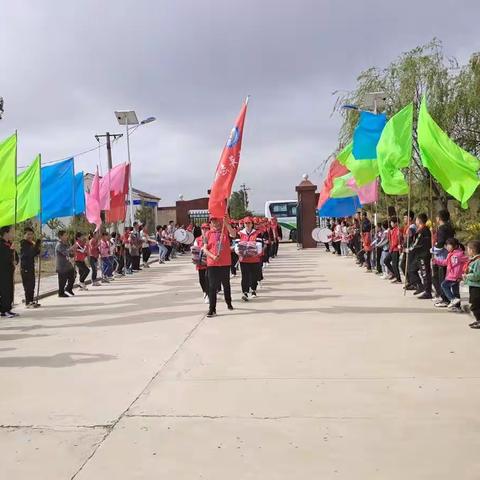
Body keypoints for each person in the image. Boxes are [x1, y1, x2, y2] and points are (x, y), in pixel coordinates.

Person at [203, 214, 236, 318]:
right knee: (212, 286)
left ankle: (228, 302)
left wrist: (226, 224)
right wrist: (212, 256)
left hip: (225, 262)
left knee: (226, 284)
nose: (215, 223)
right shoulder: (208, 234)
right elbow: (204, 249)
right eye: (213, 221)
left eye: (217, 221)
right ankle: (212, 309)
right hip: (212, 263)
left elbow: (234, 234)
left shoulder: (225, 231)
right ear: (210, 223)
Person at [434, 238, 468, 311]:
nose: (447, 247)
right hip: (450, 275)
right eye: (446, 245)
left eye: (449, 245)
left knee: (444, 285)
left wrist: (463, 271)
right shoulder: (450, 254)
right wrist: (436, 261)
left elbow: (466, 260)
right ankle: (457, 306)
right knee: (455, 290)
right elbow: (445, 263)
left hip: (455, 276)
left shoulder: (459, 254)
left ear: (455, 246)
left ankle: (452, 299)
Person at [432, 210, 455, 305]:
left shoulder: (442, 228)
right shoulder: (450, 227)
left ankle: (445, 299)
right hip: (447, 255)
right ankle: (442, 296)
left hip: (442, 256)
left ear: (439, 218)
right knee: (440, 277)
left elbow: (441, 243)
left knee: (441, 278)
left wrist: (433, 250)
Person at [236, 217, 263, 301]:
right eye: (246, 223)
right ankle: (245, 292)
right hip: (243, 259)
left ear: (252, 224)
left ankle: (253, 290)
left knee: (254, 275)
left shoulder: (257, 233)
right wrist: (241, 252)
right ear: (243, 224)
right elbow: (237, 247)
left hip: (254, 259)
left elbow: (259, 246)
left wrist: (252, 252)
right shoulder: (239, 233)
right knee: (245, 276)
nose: (247, 225)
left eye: (249, 223)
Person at [407, 213, 432, 299]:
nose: (416, 221)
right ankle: (420, 285)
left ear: (420, 220)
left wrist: (409, 249)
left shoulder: (424, 230)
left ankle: (428, 291)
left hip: (423, 255)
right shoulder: (419, 229)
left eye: (417, 219)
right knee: (411, 270)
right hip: (418, 255)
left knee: (425, 273)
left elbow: (418, 243)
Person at [20, 227, 41, 308]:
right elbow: (31, 253)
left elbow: (35, 252)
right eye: (28, 234)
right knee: (28, 285)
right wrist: (37, 244)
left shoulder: (31, 243)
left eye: (31, 234)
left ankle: (31, 301)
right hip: (25, 268)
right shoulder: (23, 243)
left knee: (32, 285)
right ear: (24, 235)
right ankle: (28, 302)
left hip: (31, 267)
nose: (30, 236)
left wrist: (38, 248)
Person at [0, 226, 18, 317]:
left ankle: (8, 308)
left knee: (10, 289)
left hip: (10, 271)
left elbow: (15, 256)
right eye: (11, 232)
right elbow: (2, 257)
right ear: (6, 233)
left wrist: (16, 261)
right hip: (3, 271)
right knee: (5, 290)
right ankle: (4, 309)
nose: (13, 234)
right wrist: (10, 250)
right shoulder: (1, 244)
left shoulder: (10, 243)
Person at [463, 240, 480, 328]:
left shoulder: (478, 261)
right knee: (475, 304)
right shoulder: (474, 260)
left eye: (468, 249)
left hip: (477, 287)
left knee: (475, 305)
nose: (467, 251)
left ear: (473, 250)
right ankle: (478, 320)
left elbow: (477, 275)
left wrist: (467, 276)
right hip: (473, 286)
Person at [56, 230, 75, 297]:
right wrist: (71, 249)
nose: (67, 236)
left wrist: (73, 251)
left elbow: (71, 254)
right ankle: (61, 293)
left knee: (73, 276)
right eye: (65, 235)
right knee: (62, 281)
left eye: (66, 235)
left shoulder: (66, 244)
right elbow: (65, 252)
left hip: (68, 265)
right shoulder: (59, 245)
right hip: (62, 266)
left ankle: (68, 289)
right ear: (60, 236)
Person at [193, 223, 209, 302]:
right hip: (200, 262)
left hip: (210, 262)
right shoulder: (197, 239)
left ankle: (208, 293)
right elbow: (194, 250)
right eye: (203, 229)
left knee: (208, 279)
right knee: (201, 279)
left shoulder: (211, 238)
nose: (205, 230)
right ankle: (205, 292)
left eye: (206, 228)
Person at [384, 216, 402, 283]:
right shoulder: (392, 230)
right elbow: (390, 239)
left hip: (395, 249)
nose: (391, 223)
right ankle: (395, 274)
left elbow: (396, 241)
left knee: (395, 264)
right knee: (386, 261)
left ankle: (398, 278)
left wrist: (391, 249)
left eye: (392, 222)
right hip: (392, 249)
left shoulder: (398, 230)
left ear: (396, 223)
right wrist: (389, 233)